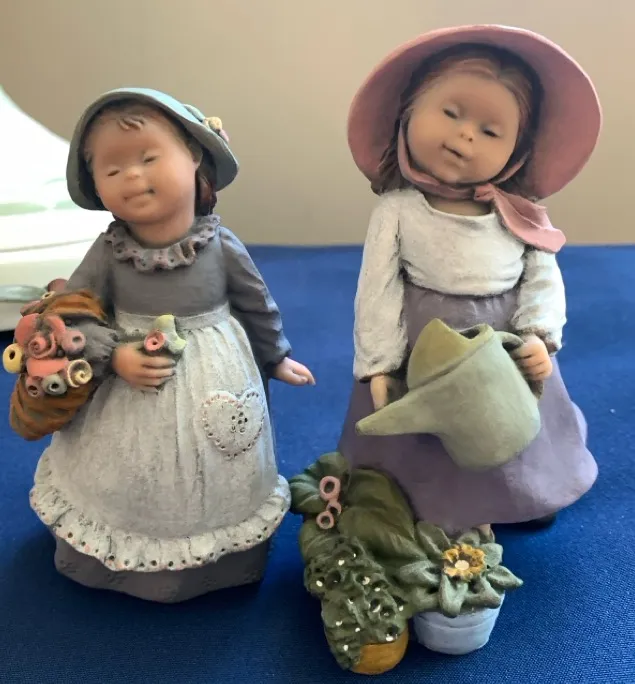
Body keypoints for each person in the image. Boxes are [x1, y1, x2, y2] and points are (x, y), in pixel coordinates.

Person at [28, 87, 314, 603]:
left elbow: (257, 304)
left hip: (214, 376)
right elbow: (73, 314)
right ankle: (110, 559)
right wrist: (114, 354)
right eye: (112, 169)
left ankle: (222, 562)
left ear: (195, 156)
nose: (132, 176)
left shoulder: (220, 246)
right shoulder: (109, 252)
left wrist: (276, 356)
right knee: (129, 471)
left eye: (148, 158)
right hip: (127, 386)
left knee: (216, 473)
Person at [338, 25, 601, 537]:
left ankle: (528, 490)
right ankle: (428, 503)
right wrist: (379, 364)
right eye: (452, 112)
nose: (465, 136)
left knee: (513, 422)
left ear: (518, 151)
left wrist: (539, 336)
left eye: (490, 131)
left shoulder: (519, 214)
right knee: (423, 440)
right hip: (425, 345)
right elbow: (378, 290)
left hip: (503, 345)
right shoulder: (397, 210)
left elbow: (542, 277)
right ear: (408, 111)